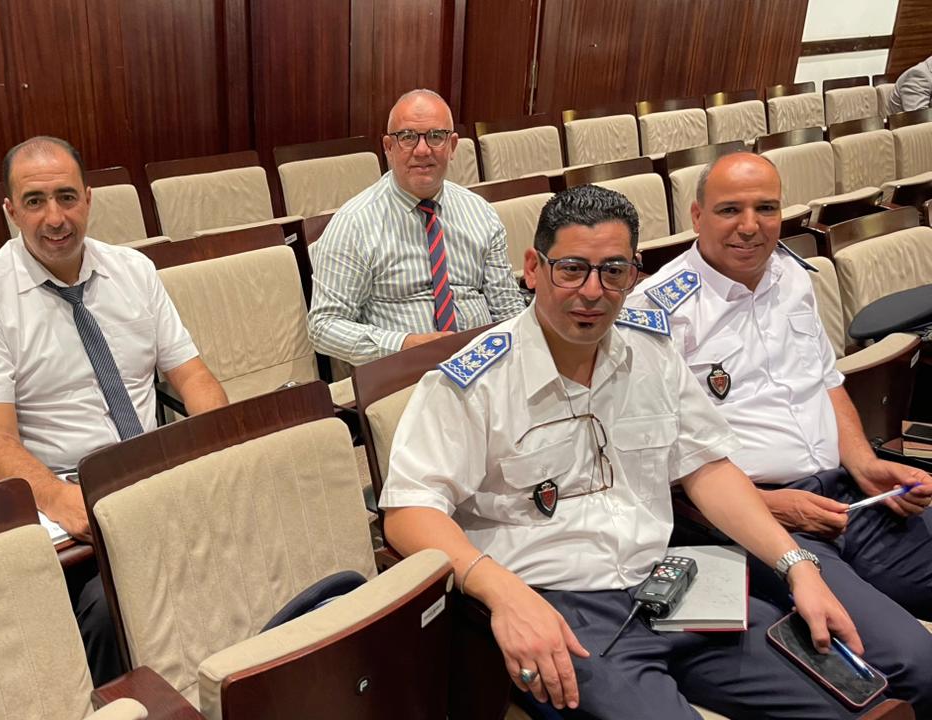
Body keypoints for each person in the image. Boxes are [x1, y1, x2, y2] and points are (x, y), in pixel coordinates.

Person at [379, 184, 881, 718]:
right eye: (572, 269)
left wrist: (797, 566)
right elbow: (409, 512)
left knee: (848, 705)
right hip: (558, 605)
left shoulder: (652, 351)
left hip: (669, 583)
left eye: (614, 271)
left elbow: (707, 467)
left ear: (634, 274)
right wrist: (503, 593)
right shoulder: (474, 381)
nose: (593, 292)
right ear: (532, 268)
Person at [627, 152, 932, 711]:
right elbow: (653, 463)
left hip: (848, 497)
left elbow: (826, 381)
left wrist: (864, 463)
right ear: (696, 216)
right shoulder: (656, 313)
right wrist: (768, 504)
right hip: (761, 523)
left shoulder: (791, 274)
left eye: (766, 208)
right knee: (916, 665)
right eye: (730, 210)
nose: (750, 226)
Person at [0, 136, 228, 682]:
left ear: (89, 199)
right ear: (9, 210)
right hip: (67, 491)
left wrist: (218, 448)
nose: (55, 218)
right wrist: (58, 497)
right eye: (34, 201)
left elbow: (193, 377)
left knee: (241, 549)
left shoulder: (134, 271)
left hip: (155, 473)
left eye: (67, 197)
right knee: (111, 606)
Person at [307, 89, 527, 367]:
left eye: (435, 136)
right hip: (403, 372)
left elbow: (507, 307)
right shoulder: (354, 224)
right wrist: (404, 345)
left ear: (452, 145)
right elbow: (323, 327)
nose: (422, 150)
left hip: (484, 363)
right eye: (408, 137)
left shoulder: (480, 212)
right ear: (389, 147)